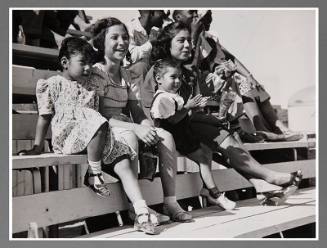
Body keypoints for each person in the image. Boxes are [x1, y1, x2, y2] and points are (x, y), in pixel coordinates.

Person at [140, 21, 303, 205]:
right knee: (217, 136)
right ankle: (265, 179)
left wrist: (221, 85)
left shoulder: (187, 73)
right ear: (167, 44)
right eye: (181, 41)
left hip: (183, 124)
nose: (187, 45)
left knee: (223, 133)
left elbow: (196, 104)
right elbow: (157, 113)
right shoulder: (159, 71)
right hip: (163, 129)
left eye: (189, 41)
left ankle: (261, 182)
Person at [17, 37, 158, 235]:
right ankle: (94, 173)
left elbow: (99, 118)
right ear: (65, 62)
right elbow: (44, 117)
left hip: (96, 135)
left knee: (123, 159)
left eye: (90, 64)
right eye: (82, 63)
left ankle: (141, 212)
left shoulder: (91, 87)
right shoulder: (53, 84)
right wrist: (38, 146)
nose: (87, 68)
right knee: (97, 120)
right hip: (68, 137)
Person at [88, 17, 193, 223]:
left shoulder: (126, 74)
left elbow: (136, 109)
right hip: (102, 129)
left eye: (125, 37)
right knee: (130, 135)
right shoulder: (96, 73)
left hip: (124, 124)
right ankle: (135, 209)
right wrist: (136, 127)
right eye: (114, 37)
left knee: (165, 136)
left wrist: (146, 127)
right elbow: (97, 116)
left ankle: (170, 202)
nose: (122, 42)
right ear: (101, 43)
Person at [189, 10, 304, 142]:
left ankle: (280, 127)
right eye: (206, 17)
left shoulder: (210, 38)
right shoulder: (192, 39)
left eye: (210, 16)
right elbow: (194, 68)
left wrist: (250, 76)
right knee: (241, 83)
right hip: (205, 85)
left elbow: (230, 58)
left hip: (221, 80)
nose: (209, 20)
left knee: (251, 83)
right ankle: (263, 130)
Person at [150, 59, 236, 210]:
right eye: (173, 77)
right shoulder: (162, 98)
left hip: (182, 134)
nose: (177, 81)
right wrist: (188, 107)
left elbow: (181, 116)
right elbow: (173, 120)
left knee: (207, 150)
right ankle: (215, 193)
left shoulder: (171, 96)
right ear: (158, 79)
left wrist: (193, 108)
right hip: (174, 138)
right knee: (202, 159)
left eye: (179, 77)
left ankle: (206, 189)